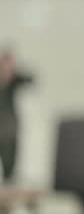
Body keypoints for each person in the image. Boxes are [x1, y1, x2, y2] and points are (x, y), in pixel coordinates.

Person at [0, 49, 34, 182]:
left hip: (10, 128)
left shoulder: (14, 79)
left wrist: (13, 72)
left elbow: (30, 79)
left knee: (10, 167)